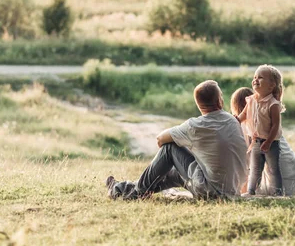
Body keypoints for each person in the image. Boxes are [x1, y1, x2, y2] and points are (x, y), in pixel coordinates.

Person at [106, 80, 247, 200]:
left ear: (199, 105)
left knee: (170, 148)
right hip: (233, 190)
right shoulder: (231, 120)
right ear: (219, 101)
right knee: (174, 173)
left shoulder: (195, 125)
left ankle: (135, 192)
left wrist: (180, 135)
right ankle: (123, 188)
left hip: (211, 192)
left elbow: (160, 140)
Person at [231, 87, 295, 197]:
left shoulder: (246, 128)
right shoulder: (265, 122)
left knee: (249, 186)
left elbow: (246, 167)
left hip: (282, 184)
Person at [235, 65, 286, 197]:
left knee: (273, 169)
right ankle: (251, 191)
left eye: (260, 77)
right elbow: (243, 115)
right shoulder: (251, 100)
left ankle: (277, 193)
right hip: (256, 141)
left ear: (271, 86)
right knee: (255, 168)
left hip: (271, 143)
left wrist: (268, 142)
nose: (256, 80)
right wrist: (235, 120)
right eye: (254, 77)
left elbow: (275, 125)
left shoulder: (273, 104)